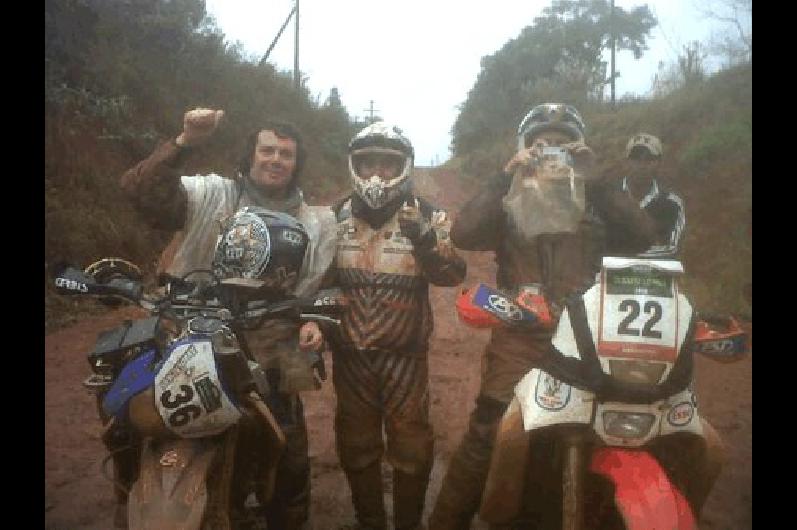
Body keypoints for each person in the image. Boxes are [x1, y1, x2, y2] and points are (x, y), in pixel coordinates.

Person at [428, 103, 666, 529]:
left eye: (563, 144)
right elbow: (464, 234)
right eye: (541, 144)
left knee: (614, 428)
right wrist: (504, 175)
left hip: (590, 335)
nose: (552, 151)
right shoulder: (510, 197)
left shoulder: (596, 198)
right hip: (521, 335)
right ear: (525, 149)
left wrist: (601, 180)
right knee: (490, 429)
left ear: (578, 149)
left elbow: (645, 236)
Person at [116, 108, 337, 529]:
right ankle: (133, 499)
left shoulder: (318, 221)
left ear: (297, 163)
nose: (275, 159)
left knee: (287, 450)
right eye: (267, 150)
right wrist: (184, 142)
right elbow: (139, 192)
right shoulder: (213, 194)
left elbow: (326, 284)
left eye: (286, 154)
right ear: (251, 156)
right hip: (191, 326)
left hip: (274, 338)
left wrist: (317, 321)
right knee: (139, 418)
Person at [325, 121, 466, 530]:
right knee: (355, 443)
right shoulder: (335, 215)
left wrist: (422, 238)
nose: (376, 173)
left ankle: (407, 523)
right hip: (350, 355)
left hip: (405, 356)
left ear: (404, 167)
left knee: (412, 444)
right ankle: (369, 521)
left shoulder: (429, 214)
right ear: (353, 164)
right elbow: (317, 280)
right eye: (367, 163)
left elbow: (453, 274)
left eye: (387, 164)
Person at [610, 132, 686, 258]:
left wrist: (625, 253)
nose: (642, 165)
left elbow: (672, 248)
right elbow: (595, 241)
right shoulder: (607, 197)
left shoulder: (672, 204)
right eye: (636, 158)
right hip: (608, 273)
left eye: (649, 159)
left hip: (655, 275)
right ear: (627, 161)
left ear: (658, 163)